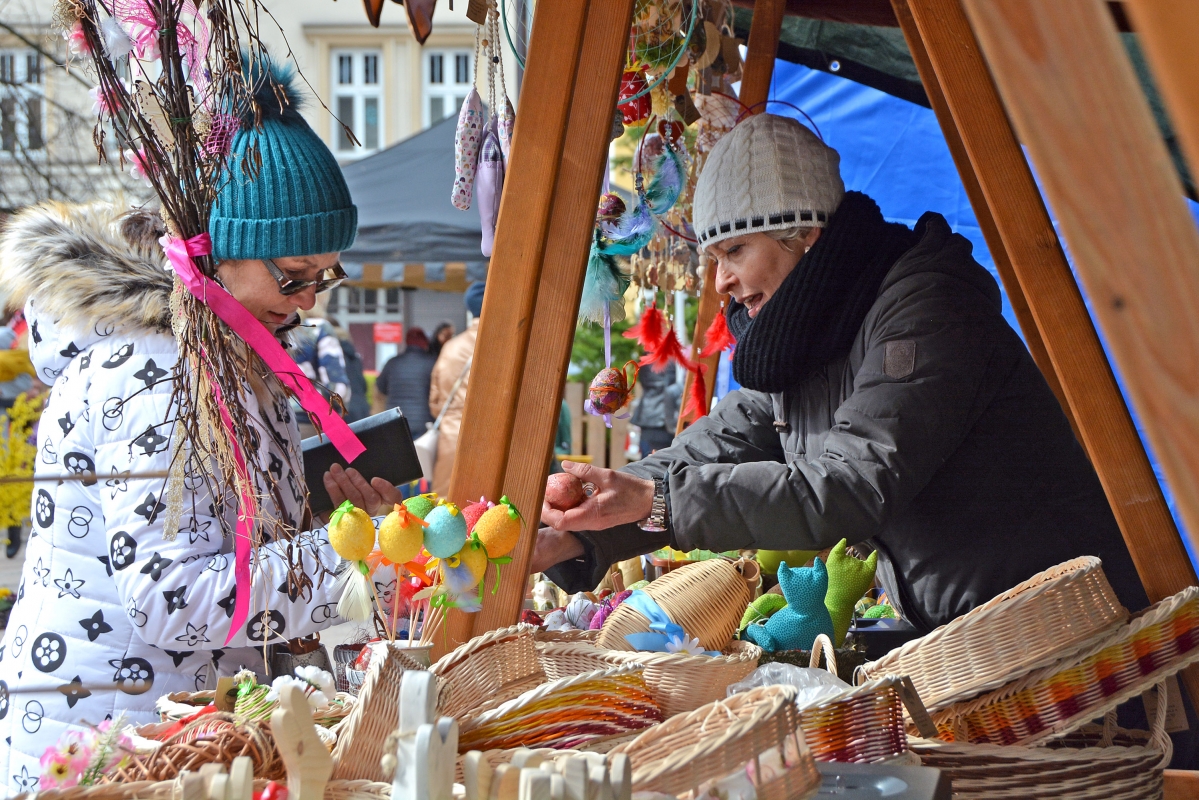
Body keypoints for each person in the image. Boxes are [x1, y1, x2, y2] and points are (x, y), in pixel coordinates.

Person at [535, 113, 1148, 635]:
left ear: (805, 235)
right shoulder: (808, 332)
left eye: (734, 252)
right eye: (713, 258)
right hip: (970, 632)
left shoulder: (925, 310)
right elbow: (711, 446)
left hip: (1058, 628)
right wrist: (584, 532)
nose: (719, 282)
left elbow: (853, 483)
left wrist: (660, 501)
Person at [0, 67, 404, 791]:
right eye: (292, 275)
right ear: (218, 248)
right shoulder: (157, 372)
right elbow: (171, 597)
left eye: (325, 277)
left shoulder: (221, 356)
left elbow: (211, 533)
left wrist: (313, 517)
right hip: (110, 744)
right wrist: (349, 556)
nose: (310, 299)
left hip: (160, 733)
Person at [428, 283, 483, 495]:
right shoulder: (507, 346)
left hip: (452, 437)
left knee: (446, 507)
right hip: (495, 438)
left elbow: (435, 400)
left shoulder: (451, 347)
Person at [292, 299, 351, 435]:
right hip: (311, 421)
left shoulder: (275, 327)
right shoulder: (319, 328)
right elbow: (336, 386)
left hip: (275, 418)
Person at [376, 326, 436, 432]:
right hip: (423, 422)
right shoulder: (431, 363)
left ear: (407, 342)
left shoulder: (392, 363)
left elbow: (381, 388)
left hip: (396, 421)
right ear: (424, 343)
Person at [629, 361, 680, 458]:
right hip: (664, 424)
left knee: (646, 465)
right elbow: (669, 390)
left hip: (647, 418)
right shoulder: (669, 359)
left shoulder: (647, 357)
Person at [328, 317, 371, 423]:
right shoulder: (353, 354)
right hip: (361, 407)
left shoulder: (330, 355)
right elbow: (363, 384)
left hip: (342, 409)